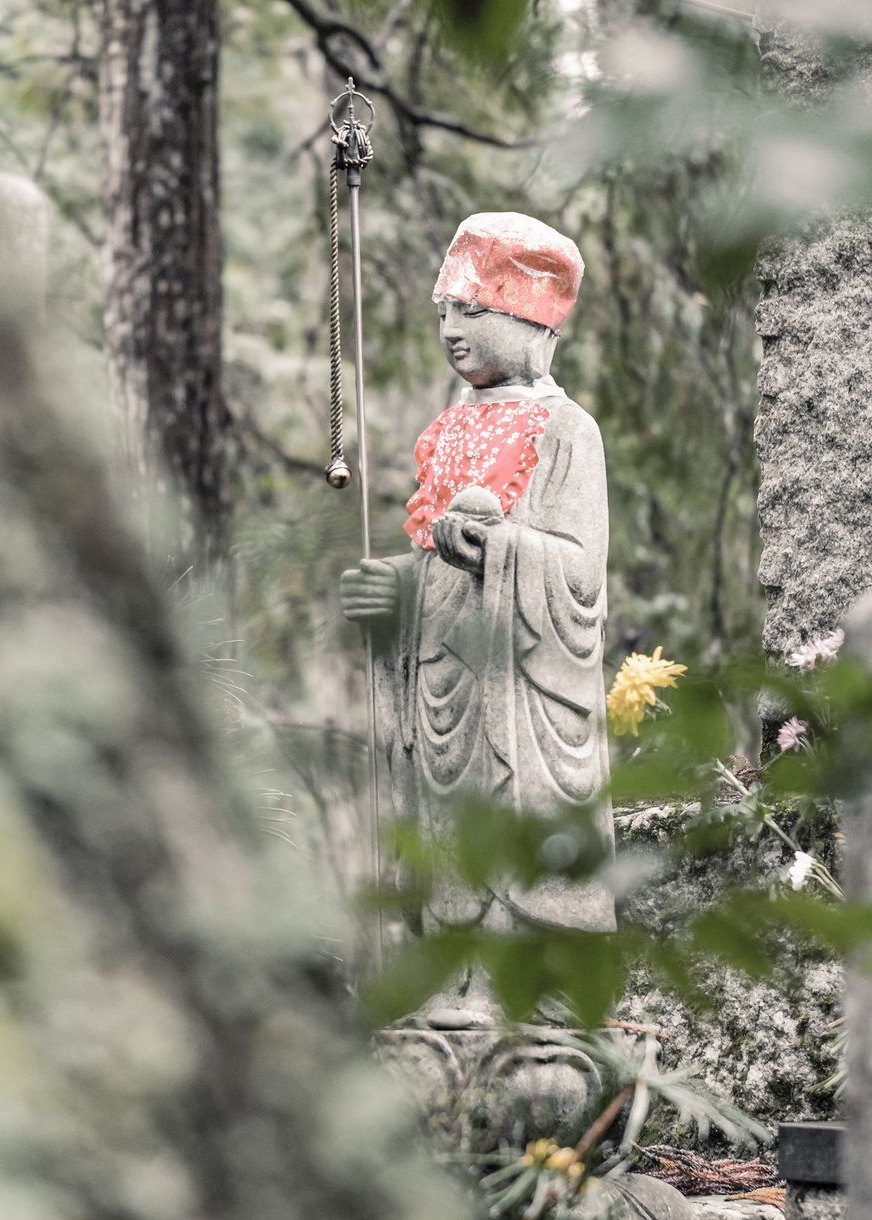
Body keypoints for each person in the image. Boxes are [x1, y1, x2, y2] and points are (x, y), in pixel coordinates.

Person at [340, 212, 613, 1027]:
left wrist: (499, 548)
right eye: (445, 313)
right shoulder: (450, 430)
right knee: (445, 827)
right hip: (444, 678)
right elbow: (429, 564)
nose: (451, 330)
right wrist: (393, 586)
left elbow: (579, 570)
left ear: (530, 321)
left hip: (522, 698)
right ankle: (450, 981)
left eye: (470, 310)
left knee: (513, 826)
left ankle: (530, 993)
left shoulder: (570, 432)